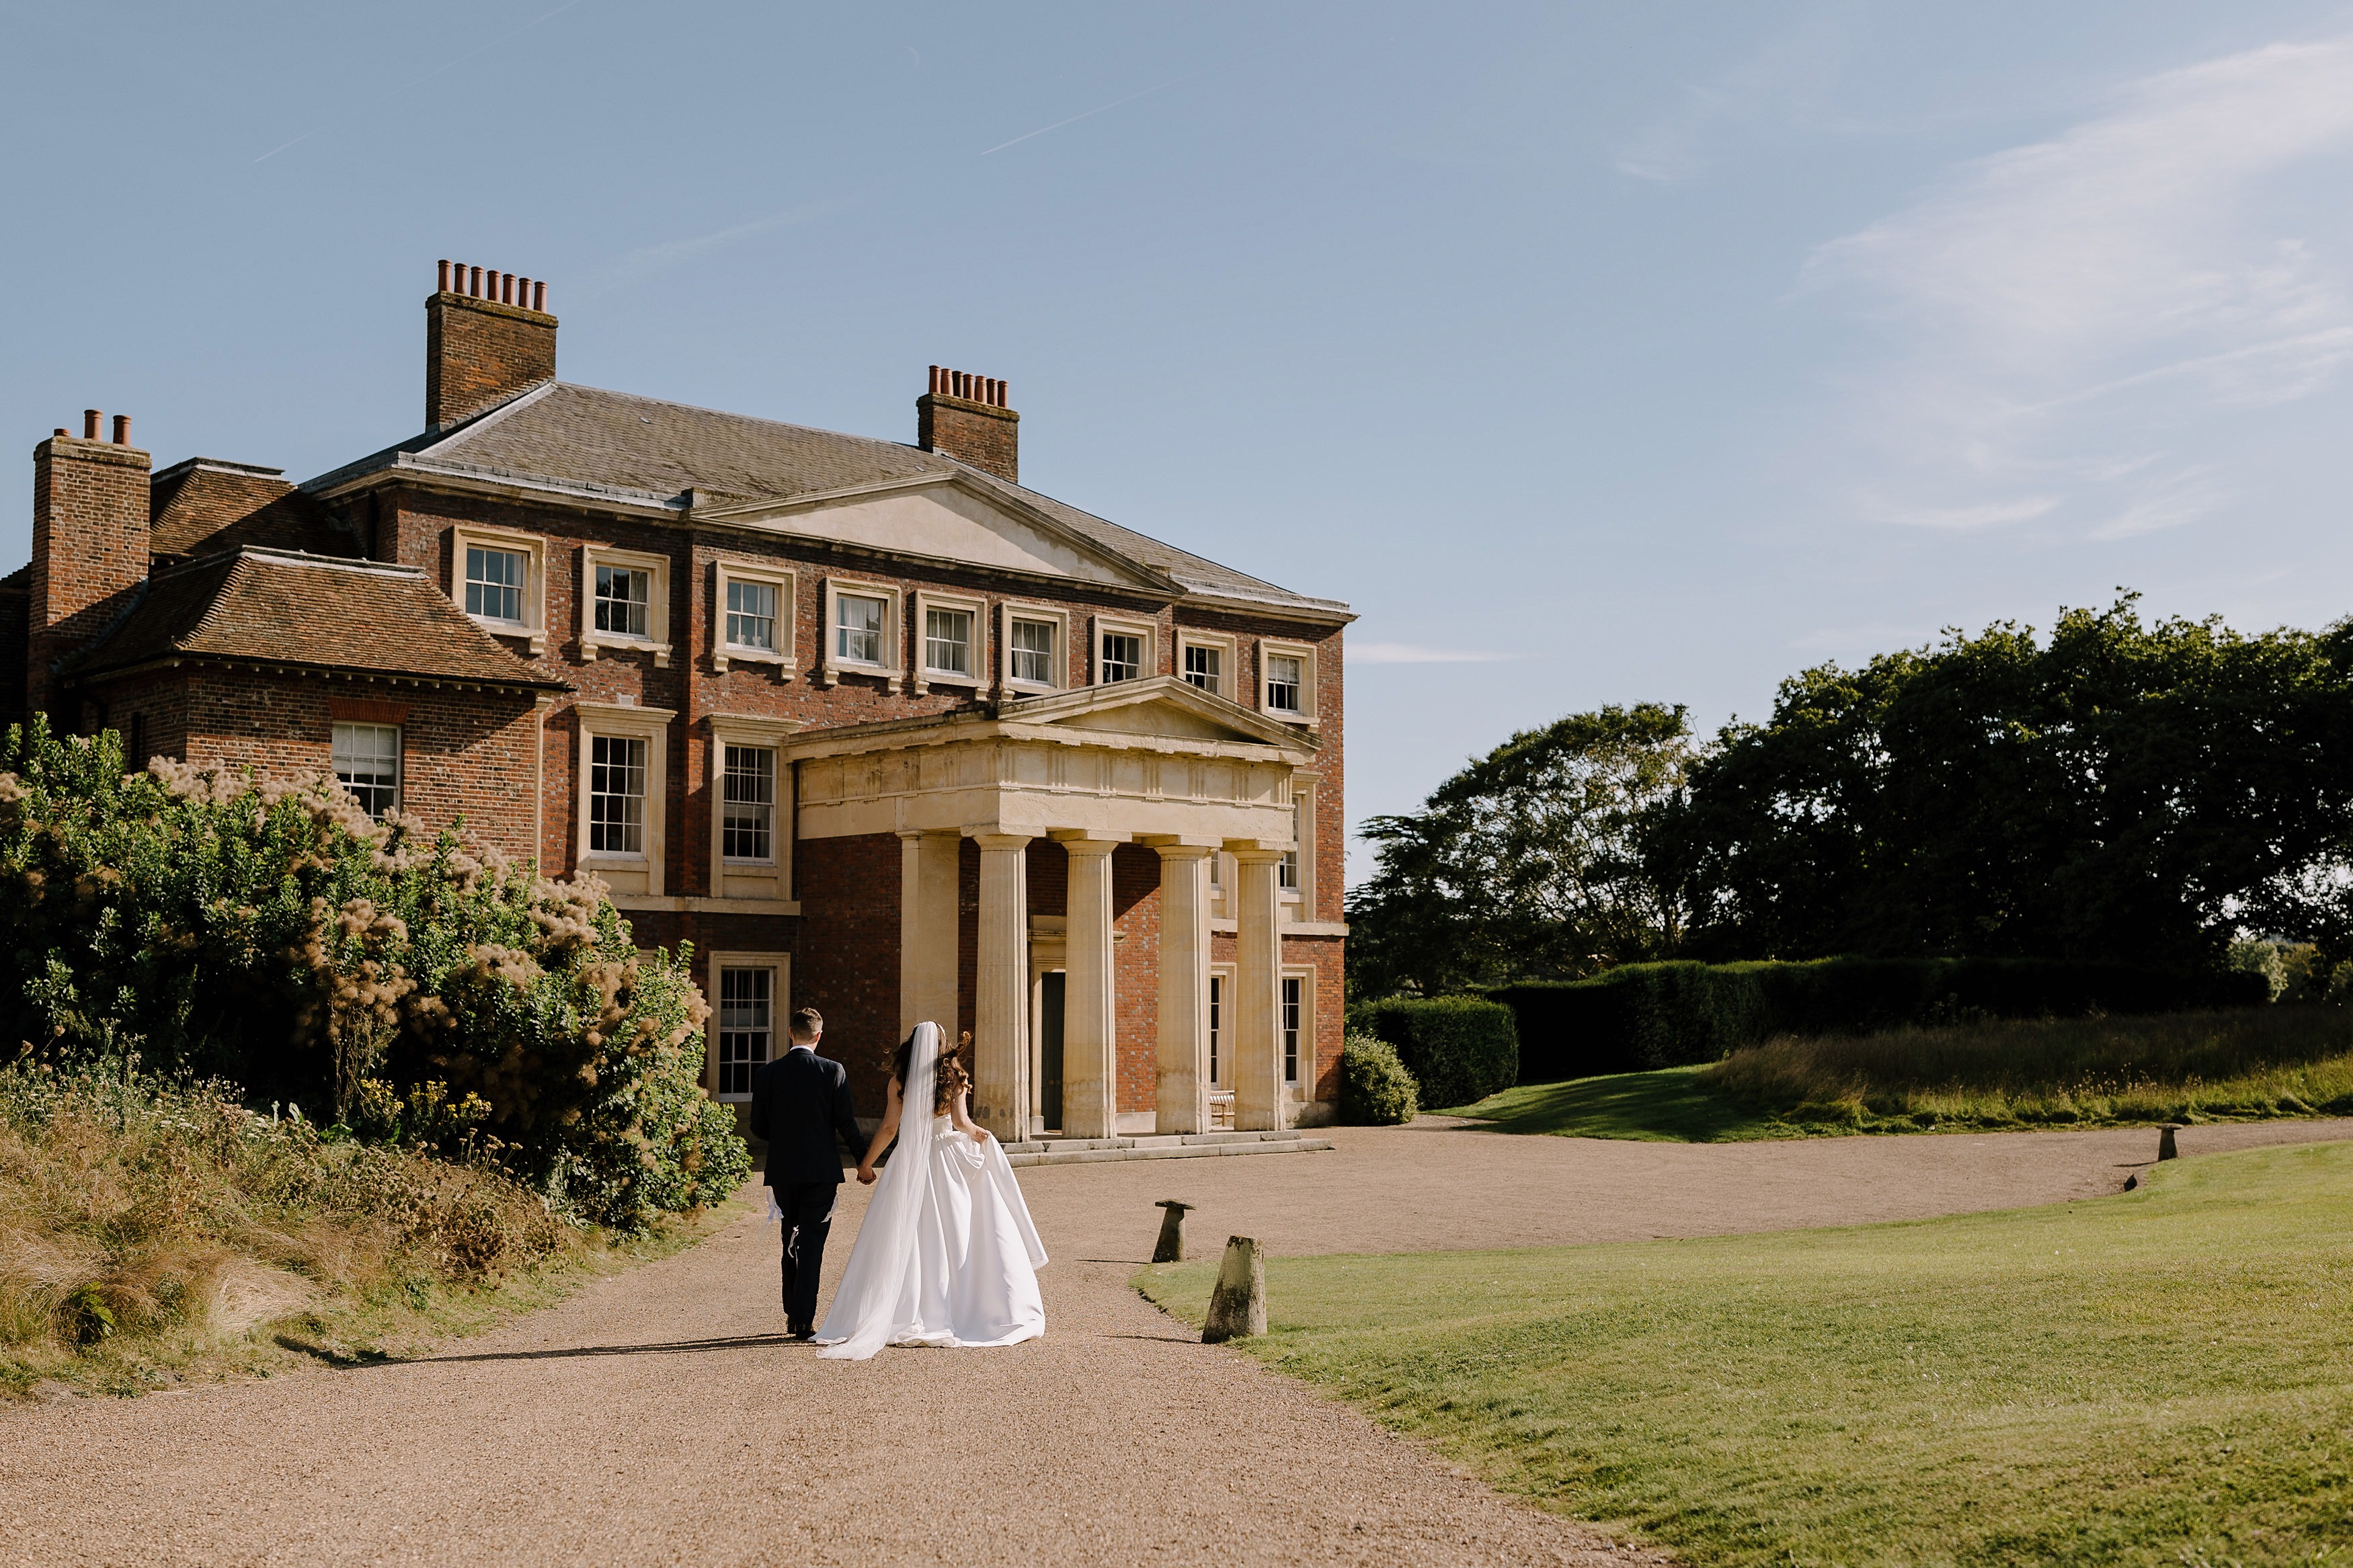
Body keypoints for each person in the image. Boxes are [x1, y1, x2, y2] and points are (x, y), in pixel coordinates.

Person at [815, 1021, 1048, 1360]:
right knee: (955, 1233)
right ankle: (958, 1308)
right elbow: (961, 1124)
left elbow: (890, 1127)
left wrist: (867, 1164)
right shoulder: (953, 1078)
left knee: (902, 1232)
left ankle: (897, 1310)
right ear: (942, 1046)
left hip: (909, 1159)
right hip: (945, 1158)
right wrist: (982, 1137)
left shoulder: (899, 1081)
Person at [746, 1007, 864, 1340]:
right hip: (821, 1170)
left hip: (783, 1169)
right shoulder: (833, 1071)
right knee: (813, 1243)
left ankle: (791, 1311)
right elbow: (846, 1123)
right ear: (818, 1036)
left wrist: (784, 1139)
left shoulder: (768, 1073)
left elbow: (758, 1127)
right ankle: (803, 1318)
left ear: (789, 1033)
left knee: (790, 1238)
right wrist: (862, 1161)